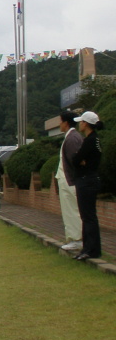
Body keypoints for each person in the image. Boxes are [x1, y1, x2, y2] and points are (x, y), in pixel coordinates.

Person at [72, 110, 104, 261]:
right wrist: (81, 161)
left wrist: (80, 162)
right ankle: (93, 249)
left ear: (86, 124)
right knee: (90, 216)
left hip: (86, 180)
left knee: (87, 216)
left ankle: (89, 249)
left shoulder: (90, 141)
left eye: (81, 122)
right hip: (91, 178)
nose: (80, 124)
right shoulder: (95, 139)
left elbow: (76, 159)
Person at [56, 110, 84, 252]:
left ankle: (77, 239)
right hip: (68, 179)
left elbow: (76, 161)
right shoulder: (71, 137)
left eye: (61, 122)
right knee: (70, 210)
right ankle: (75, 238)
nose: (59, 125)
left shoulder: (72, 138)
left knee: (72, 210)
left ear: (66, 123)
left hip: (70, 181)